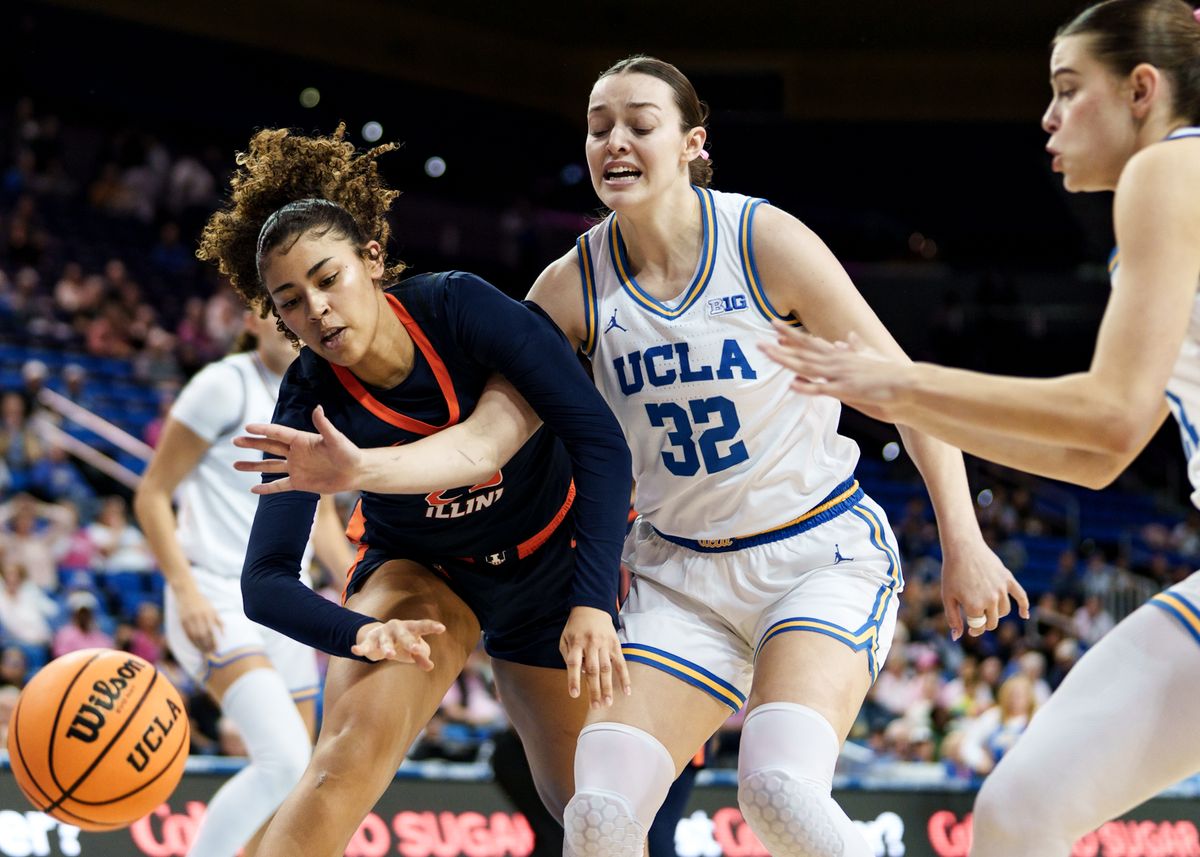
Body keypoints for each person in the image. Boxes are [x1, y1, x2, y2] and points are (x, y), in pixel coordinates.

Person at [239, 60, 1026, 857]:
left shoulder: (764, 242)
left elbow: (902, 390)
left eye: (639, 123)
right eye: (597, 125)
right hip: (674, 574)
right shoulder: (567, 289)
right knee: (596, 818)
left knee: (778, 792)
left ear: (691, 142)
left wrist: (963, 539)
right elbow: (488, 440)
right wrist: (360, 483)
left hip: (803, 549)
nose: (614, 139)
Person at [760, 1, 1200, 851]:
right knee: (1017, 813)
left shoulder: (1167, 173)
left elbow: (1104, 411)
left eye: (1069, 90)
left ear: (1142, 89)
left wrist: (904, 381)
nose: (1048, 116)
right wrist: (903, 401)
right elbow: (1100, 453)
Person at [199, 125, 633, 857]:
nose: (318, 309)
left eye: (328, 278)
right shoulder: (308, 394)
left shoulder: (461, 308)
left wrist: (592, 599)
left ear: (372, 259)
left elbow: (600, 441)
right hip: (426, 574)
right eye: (292, 300)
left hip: (550, 567)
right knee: (342, 763)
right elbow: (264, 580)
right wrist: (358, 631)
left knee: (596, 816)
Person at [132, 311, 354, 857]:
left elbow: (321, 515)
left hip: (284, 603)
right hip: (215, 597)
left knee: (295, 780)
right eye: (273, 307)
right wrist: (184, 591)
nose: (287, 320)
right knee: (282, 760)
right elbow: (152, 494)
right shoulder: (221, 385)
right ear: (252, 317)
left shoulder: (314, 397)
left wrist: (358, 583)